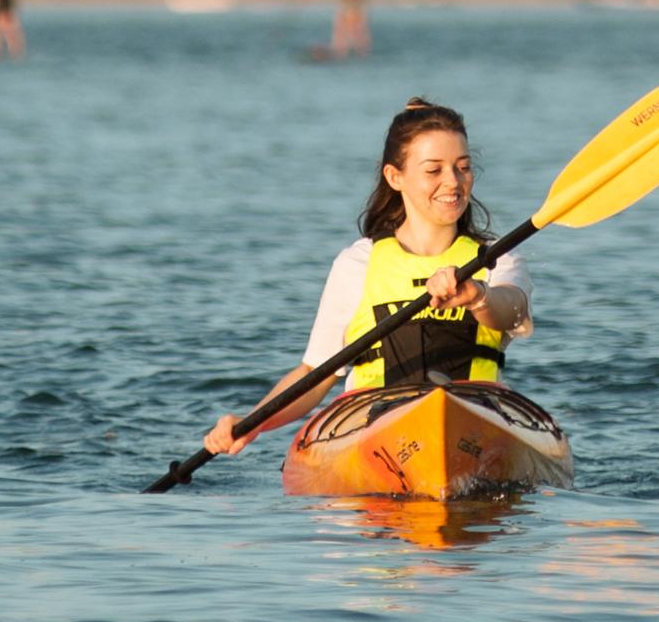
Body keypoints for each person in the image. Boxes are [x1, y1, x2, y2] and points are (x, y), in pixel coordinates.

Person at [199, 98, 533, 456]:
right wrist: (252, 425)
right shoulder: (357, 264)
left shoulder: (496, 258)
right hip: (374, 439)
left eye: (463, 168)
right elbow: (316, 374)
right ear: (395, 177)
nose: (453, 182)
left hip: (475, 433)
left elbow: (512, 309)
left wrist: (476, 296)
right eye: (433, 170)